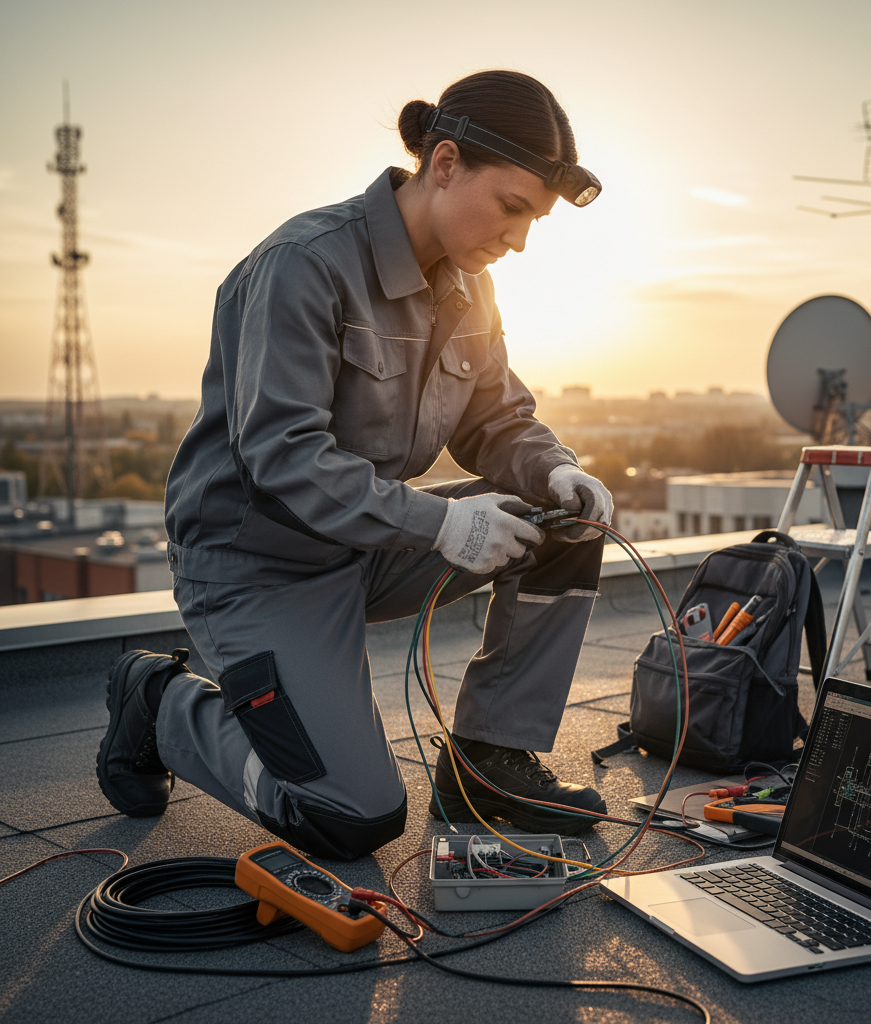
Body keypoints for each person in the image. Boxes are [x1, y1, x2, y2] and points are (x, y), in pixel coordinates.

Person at [96, 70, 614, 861]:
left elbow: (497, 420)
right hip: (257, 565)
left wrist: (556, 470)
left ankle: (487, 764)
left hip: (367, 544)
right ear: (445, 164)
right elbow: (283, 457)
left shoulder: (471, 288)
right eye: (511, 208)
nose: (518, 240)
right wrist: (441, 524)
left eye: (533, 221)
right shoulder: (303, 265)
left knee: (564, 523)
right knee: (348, 816)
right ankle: (158, 701)